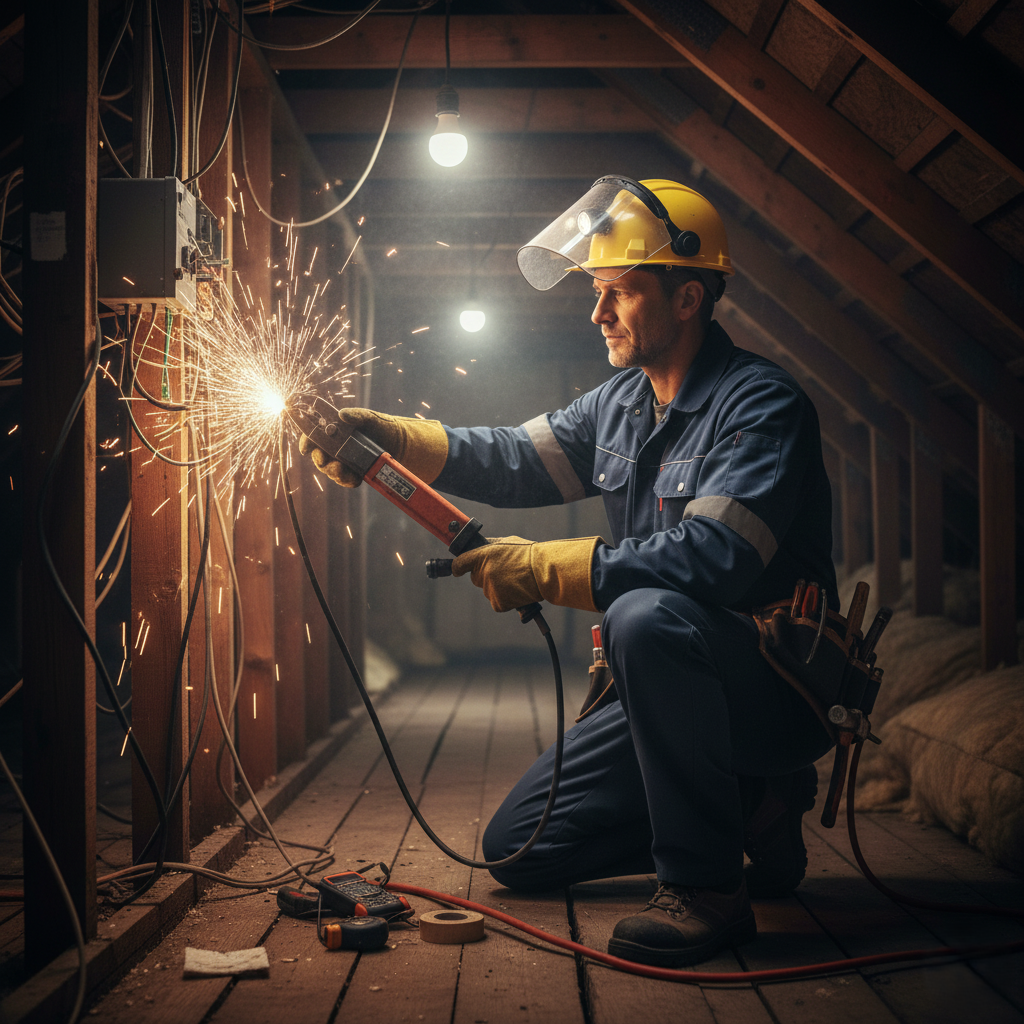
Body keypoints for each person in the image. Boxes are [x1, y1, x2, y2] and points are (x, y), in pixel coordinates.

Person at [303, 177, 837, 967]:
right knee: (520, 850)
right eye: (595, 292)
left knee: (645, 615)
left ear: (688, 297)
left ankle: (706, 890)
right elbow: (517, 459)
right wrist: (399, 440)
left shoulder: (762, 406)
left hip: (766, 688)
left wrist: (551, 566)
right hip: (668, 691)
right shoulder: (622, 402)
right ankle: (753, 803)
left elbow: (716, 561)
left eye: (617, 292)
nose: (597, 313)